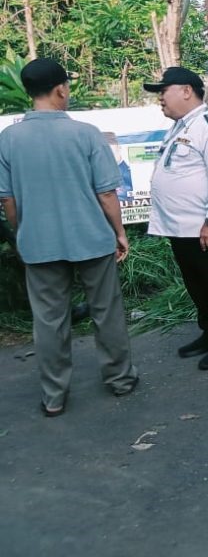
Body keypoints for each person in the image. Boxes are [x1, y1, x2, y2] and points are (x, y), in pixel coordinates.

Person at [0, 57, 138, 415]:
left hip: (38, 244)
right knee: (106, 312)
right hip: (92, 239)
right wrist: (119, 233)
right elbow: (107, 193)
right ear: (61, 89)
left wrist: (22, 235)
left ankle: (54, 396)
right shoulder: (86, 134)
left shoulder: (9, 139)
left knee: (48, 320)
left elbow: (8, 199)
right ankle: (120, 379)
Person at [145, 66, 208, 371]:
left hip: (207, 228)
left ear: (186, 90)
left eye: (163, 92)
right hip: (182, 228)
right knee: (197, 285)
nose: (160, 99)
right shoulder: (181, 126)